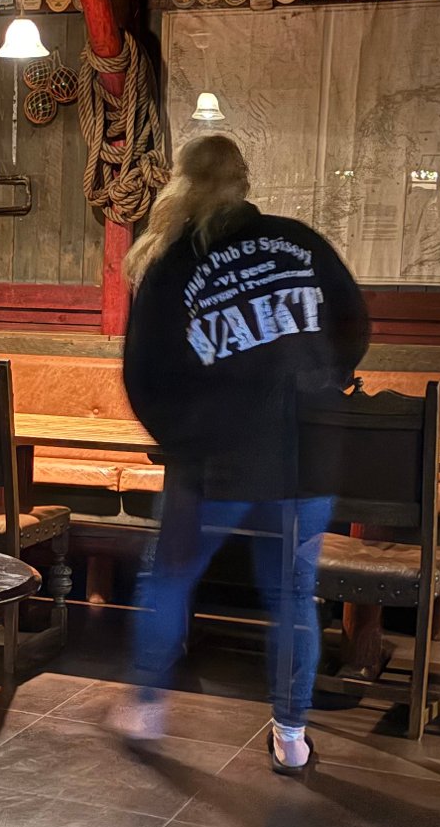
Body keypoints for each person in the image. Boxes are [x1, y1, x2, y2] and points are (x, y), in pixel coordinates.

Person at [115, 134, 370, 773]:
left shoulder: (173, 261)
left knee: (170, 578)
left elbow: (142, 374)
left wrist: (181, 442)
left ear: (179, 183)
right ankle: (291, 738)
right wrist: (323, 386)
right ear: (244, 181)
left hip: (212, 461)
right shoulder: (299, 243)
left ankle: (146, 710)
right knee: (292, 597)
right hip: (304, 453)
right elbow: (356, 325)